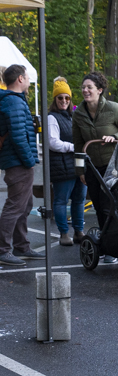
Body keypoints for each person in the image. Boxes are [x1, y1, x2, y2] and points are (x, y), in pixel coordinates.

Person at [0, 65, 42, 267]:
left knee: (25, 205)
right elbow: (18, 137)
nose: (28, 81)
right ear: (19, 79)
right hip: (18, 163)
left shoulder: (14, 101)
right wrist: (28, 161)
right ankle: (3, 250)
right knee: (15, 206)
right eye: (26, 77)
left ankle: (21, 246)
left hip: (17, 161)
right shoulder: (13, 102)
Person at [47, 78, 87, 246]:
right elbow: (52, 142)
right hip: (61, 166)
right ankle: (64, 233)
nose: (64, 101)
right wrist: (75, 147)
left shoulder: (74, 115)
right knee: (61, 201)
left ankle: (78, 231)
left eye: (67, 98)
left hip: (78, 164)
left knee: (79, 200)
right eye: (60, 98)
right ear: (55, 100)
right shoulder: (52, 118)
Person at [72, 71, 118, 175]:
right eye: (83, 87)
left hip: (114, 167)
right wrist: (80, 171)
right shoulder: (78, 114)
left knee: (110, 192)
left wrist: (114, 137)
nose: (85, 90)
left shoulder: (114, 109)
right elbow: (78, 144)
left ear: (99, 90)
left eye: (89, 87)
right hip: (91, 167)